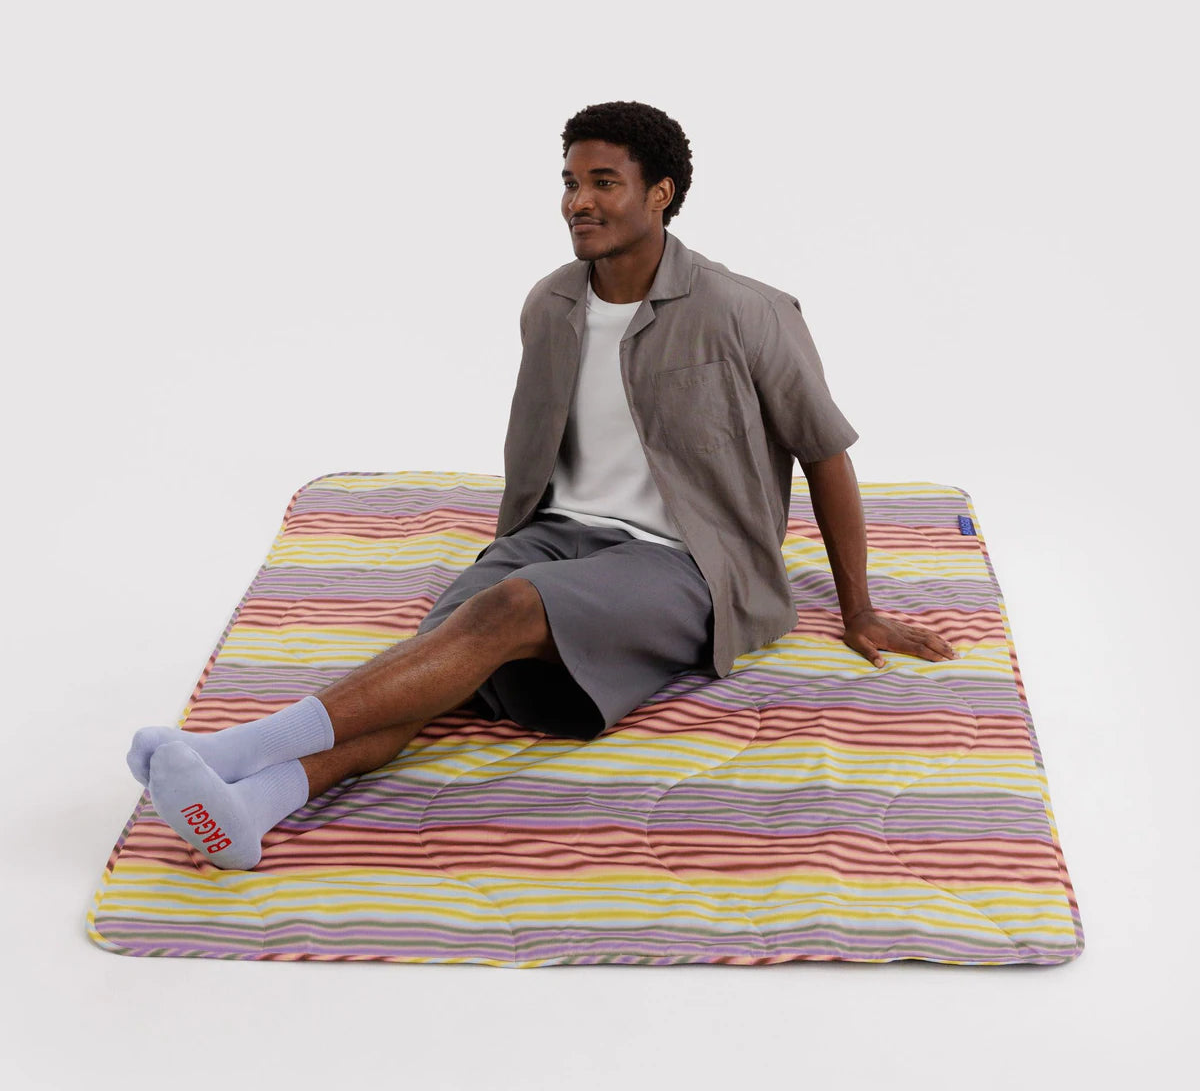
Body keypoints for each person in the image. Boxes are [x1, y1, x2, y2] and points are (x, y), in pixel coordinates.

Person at [127, 100, 956, 870]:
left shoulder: (748, 310)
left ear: (660, 194)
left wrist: (858, 609)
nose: (578, 201)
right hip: (555, 535)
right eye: (570, 181)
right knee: (430, 666)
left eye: (604, 182)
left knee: (505, 611)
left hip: (688, 563)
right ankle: (256, 806)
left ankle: (232, 751)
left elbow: (826, 454)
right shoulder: (550, 304)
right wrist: (519, 540)